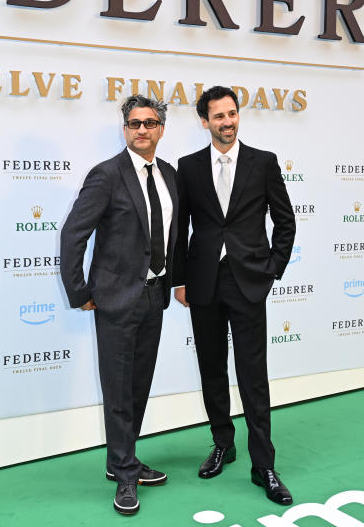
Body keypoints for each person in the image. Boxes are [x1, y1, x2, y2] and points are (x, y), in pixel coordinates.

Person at [173, 85, 297, 505]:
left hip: (248, 282)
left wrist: (272, 269)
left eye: (232, 114)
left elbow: (285, 221)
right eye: (218, 116)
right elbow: (179, 230)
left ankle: (263, 464)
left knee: (252, 376)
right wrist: (179, 279)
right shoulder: (187, 167)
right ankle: (223, 443)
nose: (227, 122)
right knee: (211, 368)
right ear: (204, 122)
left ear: (238, 116)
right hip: (204, 282)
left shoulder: (263, 163)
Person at [59, 95, 178, 516]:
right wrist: (80, 291)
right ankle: (125, 475)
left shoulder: (169, 175)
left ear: (161, 129)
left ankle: (121, 459)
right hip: (115, 299)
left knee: (138, 385)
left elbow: (169, 235)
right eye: (133, 124)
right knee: (117, 389)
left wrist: (174, 282)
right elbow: (74, 234)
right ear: (124, 129)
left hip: (154, 296)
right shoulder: (106, 174)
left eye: (149, 123)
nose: (141, 130)